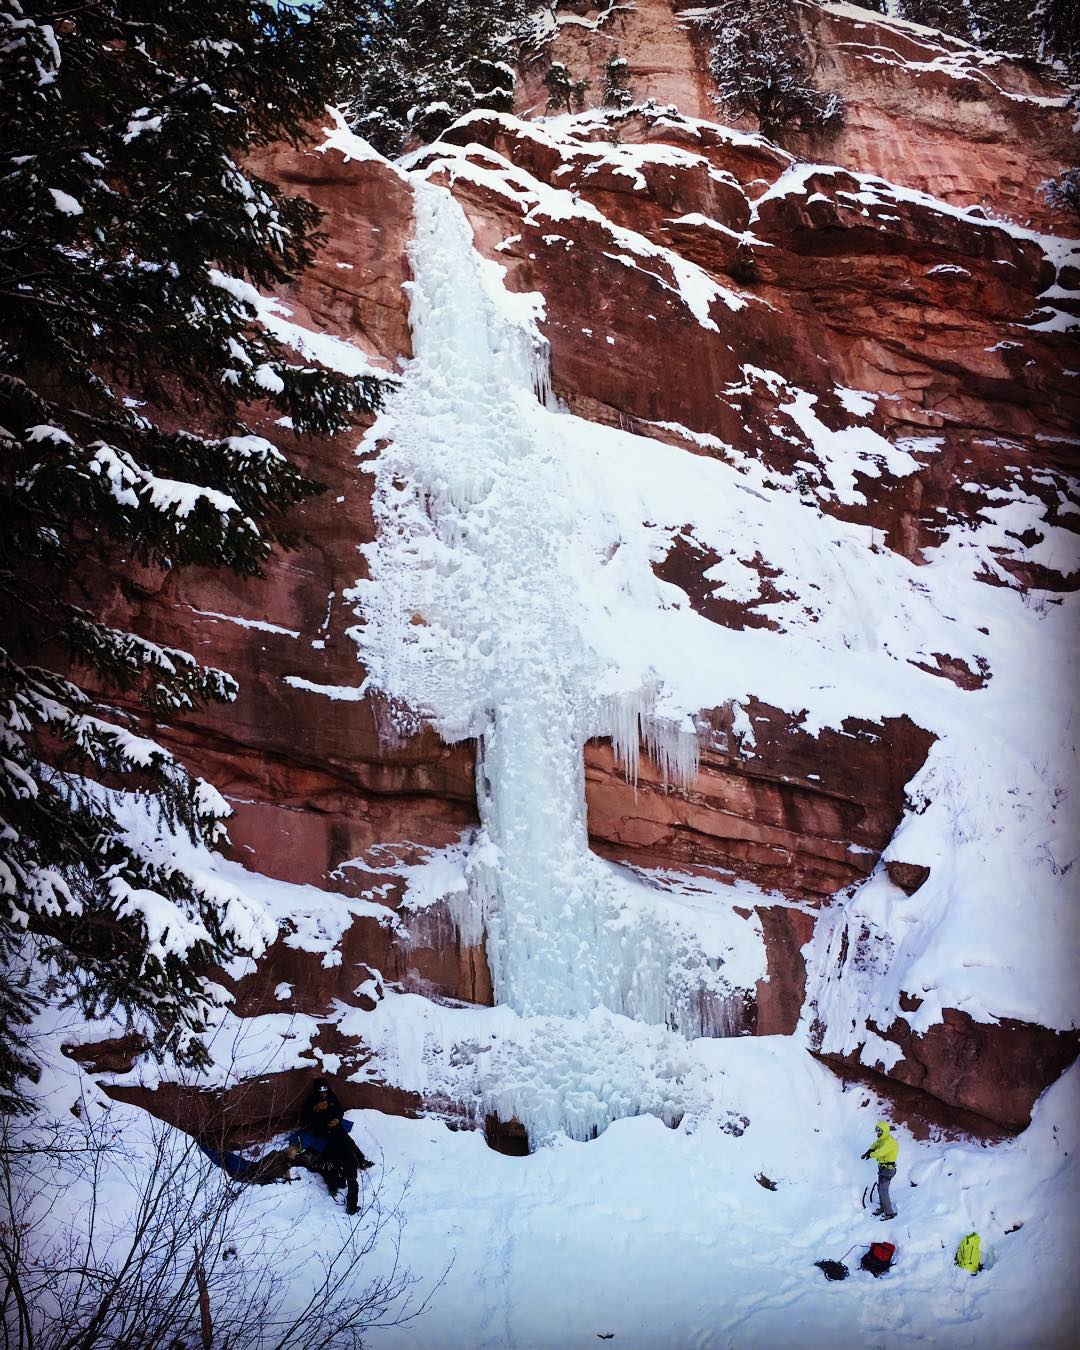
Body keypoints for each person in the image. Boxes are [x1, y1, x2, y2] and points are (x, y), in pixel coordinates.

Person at [290, 1076, 373, 1215]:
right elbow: (305, 1117)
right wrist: (315, 1109)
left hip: (333, 1126)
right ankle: (359, 1161)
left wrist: (336, 1119)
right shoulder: (312, 1101)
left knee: (343, 1137)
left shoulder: (332, 1097)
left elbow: (339, 1111)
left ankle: (358, 1161)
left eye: (325, 1091)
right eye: (320, 1092)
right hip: (320, 1129)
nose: (323, 1094)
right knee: (341, 1140)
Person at [861, 1119, 899, 1220]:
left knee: (883, 1190)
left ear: (885, 1131)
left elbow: (880, 1153)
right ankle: (883, 1207)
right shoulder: (883, 1139)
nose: (878, 1133)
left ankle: (889, 1213)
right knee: (880, 1189)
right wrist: (869, 1151)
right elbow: (875, 1144)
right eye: (877, 1130)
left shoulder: (889, 1142)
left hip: (888, 1169)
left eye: (880, 1131)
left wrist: (871, 1154)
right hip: (883, 1168)